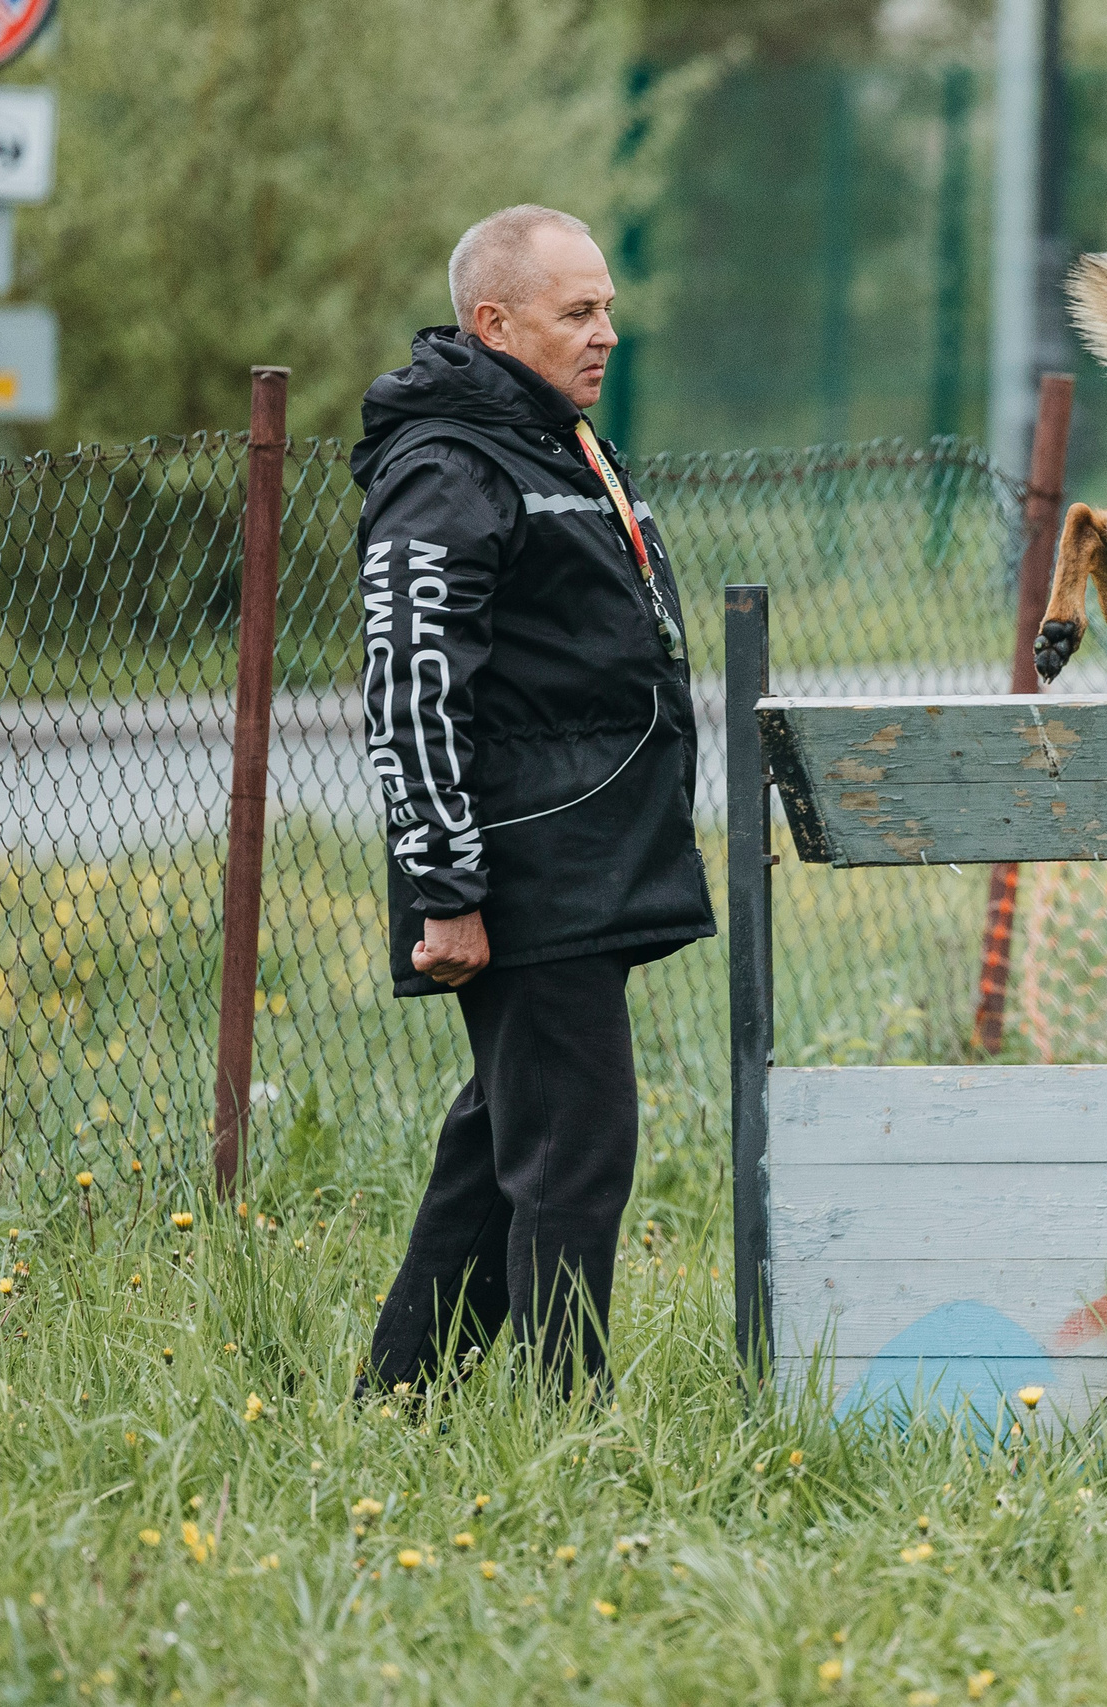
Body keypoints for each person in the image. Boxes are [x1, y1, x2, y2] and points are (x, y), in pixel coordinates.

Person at [350, 204, 712, 1400]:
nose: (608, 332)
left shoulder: (557, 443)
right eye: (579, 312)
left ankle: (396, 1402)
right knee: (574, 1152)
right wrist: (447, 889)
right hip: (523, 871)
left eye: (608, 306)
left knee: (502, 1145)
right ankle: (572, 1417)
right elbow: (410, 683)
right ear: (495, 322)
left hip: (584, 862)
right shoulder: (448, 464)